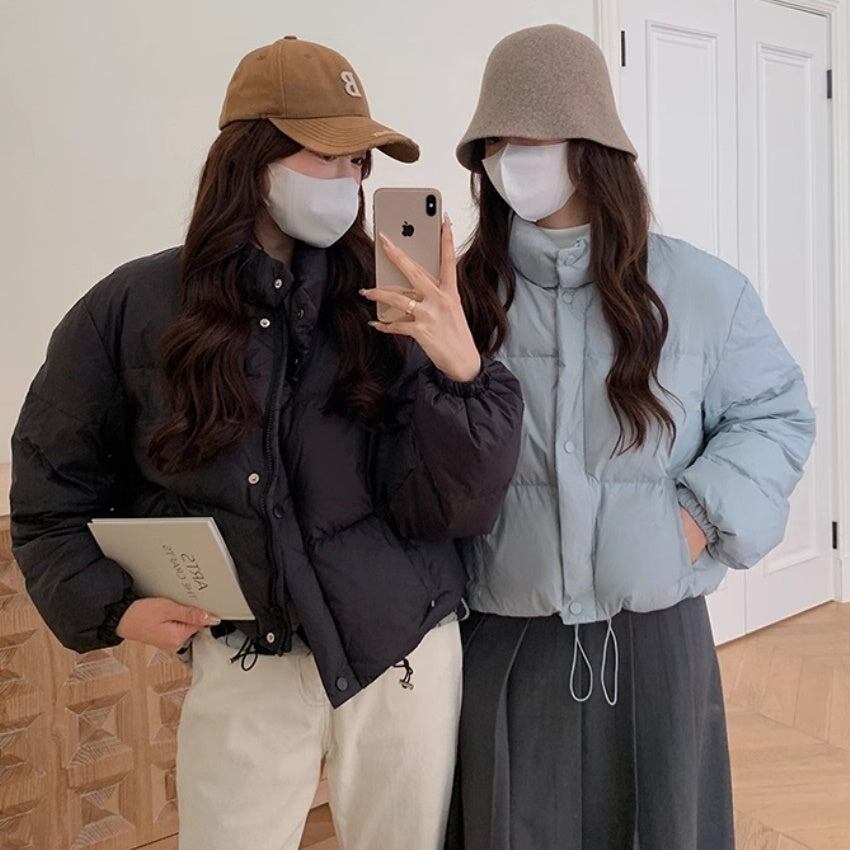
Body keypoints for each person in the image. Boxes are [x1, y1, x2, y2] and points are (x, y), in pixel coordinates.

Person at [9, 36, 523, 850]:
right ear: (252, 161)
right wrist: (110, 606)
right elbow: (49, 493)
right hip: (246, 663)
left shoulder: (396, 299)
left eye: (360, 161)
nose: (350, 179)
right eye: (328, 155)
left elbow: (459, 505)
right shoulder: (133, 308)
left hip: (405, 659)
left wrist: (461, 369)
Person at [445, 24, 816, 850]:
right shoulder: (461, 298)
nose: (507, 159)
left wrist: (692, 521)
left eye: (527, 137)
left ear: (588, 143)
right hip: (505, 635)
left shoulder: (703, 290)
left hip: (654, 637)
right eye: (492, 143)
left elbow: (776, 414)